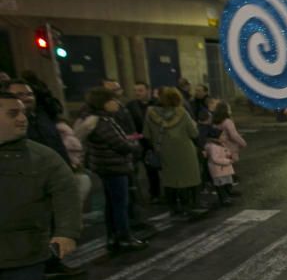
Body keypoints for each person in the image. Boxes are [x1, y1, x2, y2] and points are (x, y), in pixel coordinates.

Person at [0, 90, 81, 280]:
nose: (22, 118)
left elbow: (66, 193)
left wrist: (66, 232)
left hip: (23, 253)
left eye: (22, 112)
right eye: (13, 113)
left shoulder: (40, 157)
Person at [83, 88, 147, 252]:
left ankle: (114, 236)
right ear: (103, 103)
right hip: (113, 167)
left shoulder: (103, 120)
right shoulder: (103, 122)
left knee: (112, 204)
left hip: (108, 166)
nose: (116, 103)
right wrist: (134, 145)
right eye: (112, 100)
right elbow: (120, 144)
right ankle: (124, 237)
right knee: (119, 204)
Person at [144, 87, 205, 217]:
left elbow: (147, 134)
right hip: (184, 150)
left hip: (164, 150)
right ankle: (187, 205)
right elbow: (193, 133)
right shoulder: (182, 113)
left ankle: (173, 207)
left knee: (169, 179)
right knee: (187, 178)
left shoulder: (150, 113)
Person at [6, 80, 70, 164]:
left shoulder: (43, 116)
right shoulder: (6, 123)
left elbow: (58, 145)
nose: (27, 98)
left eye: (30, 94)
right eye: (19, 94)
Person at [203, 129, 236, 207]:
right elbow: (215, 159)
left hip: (224, 169)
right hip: (218, 169)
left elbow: (225, 152)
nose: (225, 137)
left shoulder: (221, 144)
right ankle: (224, 199)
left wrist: (229, 154)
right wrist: (227, 161)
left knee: (227, 183)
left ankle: (227, 196)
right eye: (223, 135)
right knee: (221, 185)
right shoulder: (213, 147)